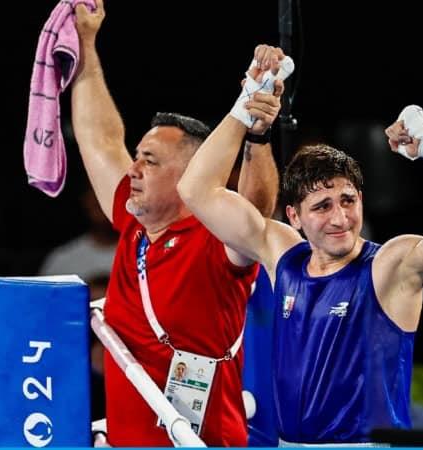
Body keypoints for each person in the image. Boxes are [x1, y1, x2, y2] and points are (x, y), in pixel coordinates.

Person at [177, 102, 423, 443]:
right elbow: (195, 190)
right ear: (295, 216)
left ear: (360, 199)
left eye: (347, 201)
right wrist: (245, 107)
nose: (339, 218)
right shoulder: (282, 255)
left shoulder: (390, 265)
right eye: (322, 206)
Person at [71, 1, 282, 445]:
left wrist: (258, 136)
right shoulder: (132, 224)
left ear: (188, 176)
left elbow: (255, 213)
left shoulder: (215, 240)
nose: (133, 170)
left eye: (149, 161)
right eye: (136, 158)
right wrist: (86, 43)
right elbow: (100, 137)